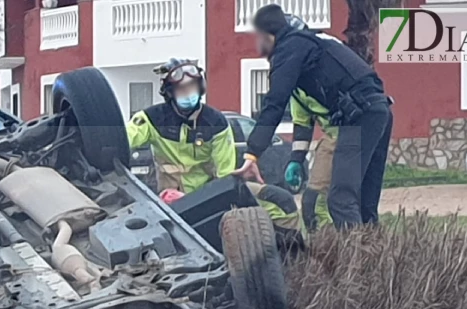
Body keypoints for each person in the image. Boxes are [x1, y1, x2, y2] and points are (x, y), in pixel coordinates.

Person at [236, 4, 393, 228]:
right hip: (379, 111)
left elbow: (274, 103)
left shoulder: (290, 47)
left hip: (359, 118)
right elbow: (302, 120)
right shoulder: (316, 45)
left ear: (268, 35)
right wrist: (296, 158)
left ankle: (358, 260)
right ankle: (378, 258)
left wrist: (252, 154)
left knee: (340, 199)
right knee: (364, 202)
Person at [126, 58, 301, 236]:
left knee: (282, 201)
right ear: (170, 93)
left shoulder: (217, 123)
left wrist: (201, 198)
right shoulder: (150, 119)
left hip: (210, 197)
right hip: (166, 200)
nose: (188, 94)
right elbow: (122, 141)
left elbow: (224, 177)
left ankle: (292, 254)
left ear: (201, 87)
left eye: (192, 87)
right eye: (182, 89)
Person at [288, 87, 335, 232]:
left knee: (348, 202)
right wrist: (296, 159)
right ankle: (325, 246)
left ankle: (359, 247)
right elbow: (303, 124)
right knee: (313, 202)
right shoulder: (296, 91)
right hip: (334, 136)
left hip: (361, 131)